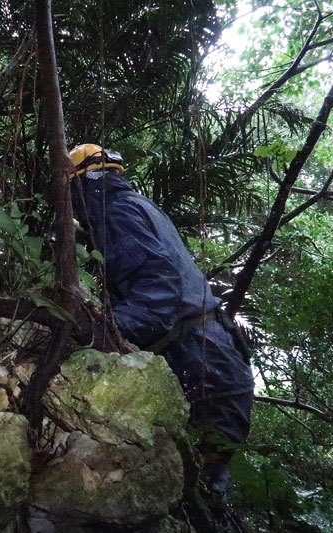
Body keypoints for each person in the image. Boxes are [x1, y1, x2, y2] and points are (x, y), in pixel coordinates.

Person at [68, 143, 254, 517]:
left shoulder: (116, 212)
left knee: (193, 499)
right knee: (200, 496)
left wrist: (100, 333)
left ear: (84, 184)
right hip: (214, 356)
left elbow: (157, 288)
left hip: (202, 359)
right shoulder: (139, 206)